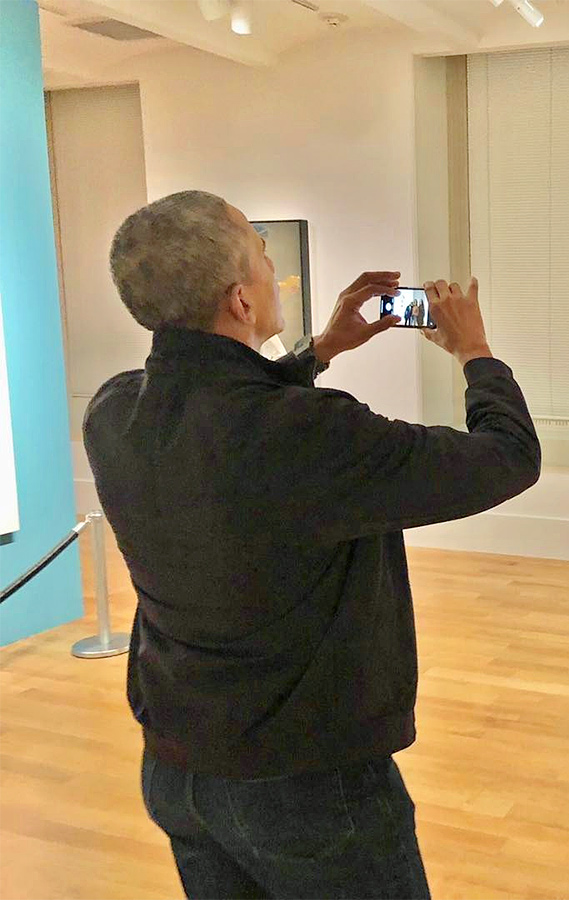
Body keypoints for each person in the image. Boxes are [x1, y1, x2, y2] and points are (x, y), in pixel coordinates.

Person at [83, 190, 540, 899]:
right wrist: (475, 351)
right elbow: (508, 456)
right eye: (263, 258)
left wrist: (322, 349)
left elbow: (226, 410)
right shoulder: (309, 435)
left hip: (178, 770)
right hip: (305, 787)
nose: (276, 271)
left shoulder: (114, 412)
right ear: (240, 301)